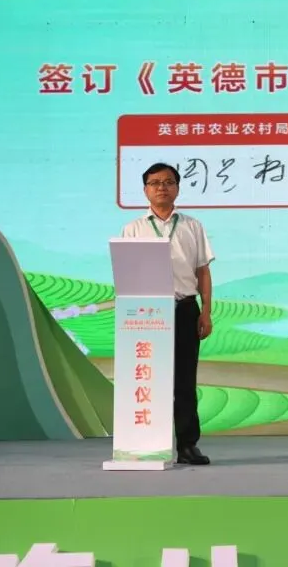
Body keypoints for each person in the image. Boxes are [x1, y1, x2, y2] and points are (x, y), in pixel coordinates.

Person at [121, 162, 215, 466]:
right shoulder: (133, 229)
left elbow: (203, 272)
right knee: (150, 379)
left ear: (177, 188)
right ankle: (147, 444)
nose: (162, 187)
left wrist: (206, 312)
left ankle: (188, 445)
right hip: (147, 313)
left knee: (185, 381)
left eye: (168, 182)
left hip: (185, 308)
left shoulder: (192, 226)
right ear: (145, 189)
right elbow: (126, 272)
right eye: (155, 182)